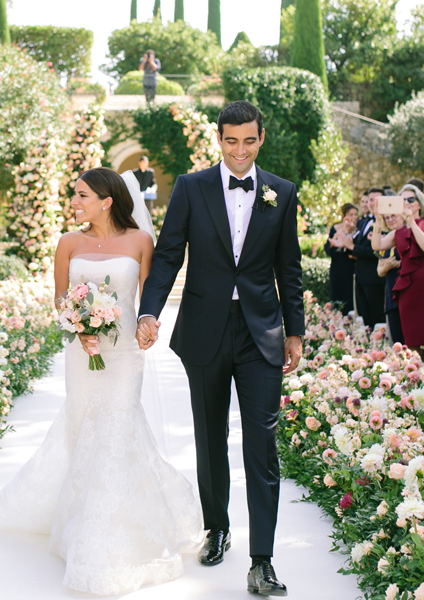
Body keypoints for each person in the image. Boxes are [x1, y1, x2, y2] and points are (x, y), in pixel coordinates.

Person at [0, 167, 200, 595]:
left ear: (107, 200)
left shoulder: (140, 242)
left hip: (123, 356)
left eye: (81, 195)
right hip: (80, 353)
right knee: (83, 428)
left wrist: (147, 326)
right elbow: (61, 298)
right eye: (73, 195)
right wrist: (77, 324)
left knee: (117, 427)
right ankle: (77, 517)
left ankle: (107, 535)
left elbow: (148, 297)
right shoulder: (68, 243)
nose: (74, 202)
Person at [136, 101, 302, 595]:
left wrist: (295, 331)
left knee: (262, 445)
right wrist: (149, 311)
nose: (240, 151)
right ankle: (218, 527)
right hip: (205, 329)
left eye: (249, 141)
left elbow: (288, 268)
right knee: (210, 439)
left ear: (261, 139)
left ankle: (263, 560)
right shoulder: (191, 187)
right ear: (219, 140)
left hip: (261, 334)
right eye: (231, 141)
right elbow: (167, 255)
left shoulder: (282, 193)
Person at [374, 184, 424, 357]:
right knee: (412, 338)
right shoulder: (398, 231)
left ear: (419, 204)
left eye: (410, 199)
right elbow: (377, 245)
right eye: (403, 200)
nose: (406, 202)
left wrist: (411, 222)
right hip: (409, 287)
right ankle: (417, 378)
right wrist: (378, 220)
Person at [352, 187, 386, 328]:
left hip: (376, 278)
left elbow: (375, 251)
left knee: (376, 319)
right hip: (360, 276)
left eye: (376, 200)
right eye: (371, 200)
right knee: (365, 320)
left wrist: (352, 248)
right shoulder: (363, 222)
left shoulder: (385, 223)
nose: (372, 203)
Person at [324, 203, 358, 314]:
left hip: (350, 267)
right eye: (350, 214)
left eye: (355, 214)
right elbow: (327, 248)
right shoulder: (335, 228)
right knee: (336, 297)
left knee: (349, 297)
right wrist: (333, 241)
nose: (353, 217)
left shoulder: (357, 229)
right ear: (344, 215)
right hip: (337, 267)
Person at [378, 217, 404, 346]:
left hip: (405, 291)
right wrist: (387, 266)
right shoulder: (385, 242)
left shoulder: (407, 236)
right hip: (391, 293)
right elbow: (379, 271)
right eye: (386, 217)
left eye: (394, 216)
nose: (390, 220)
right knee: (396, 338)